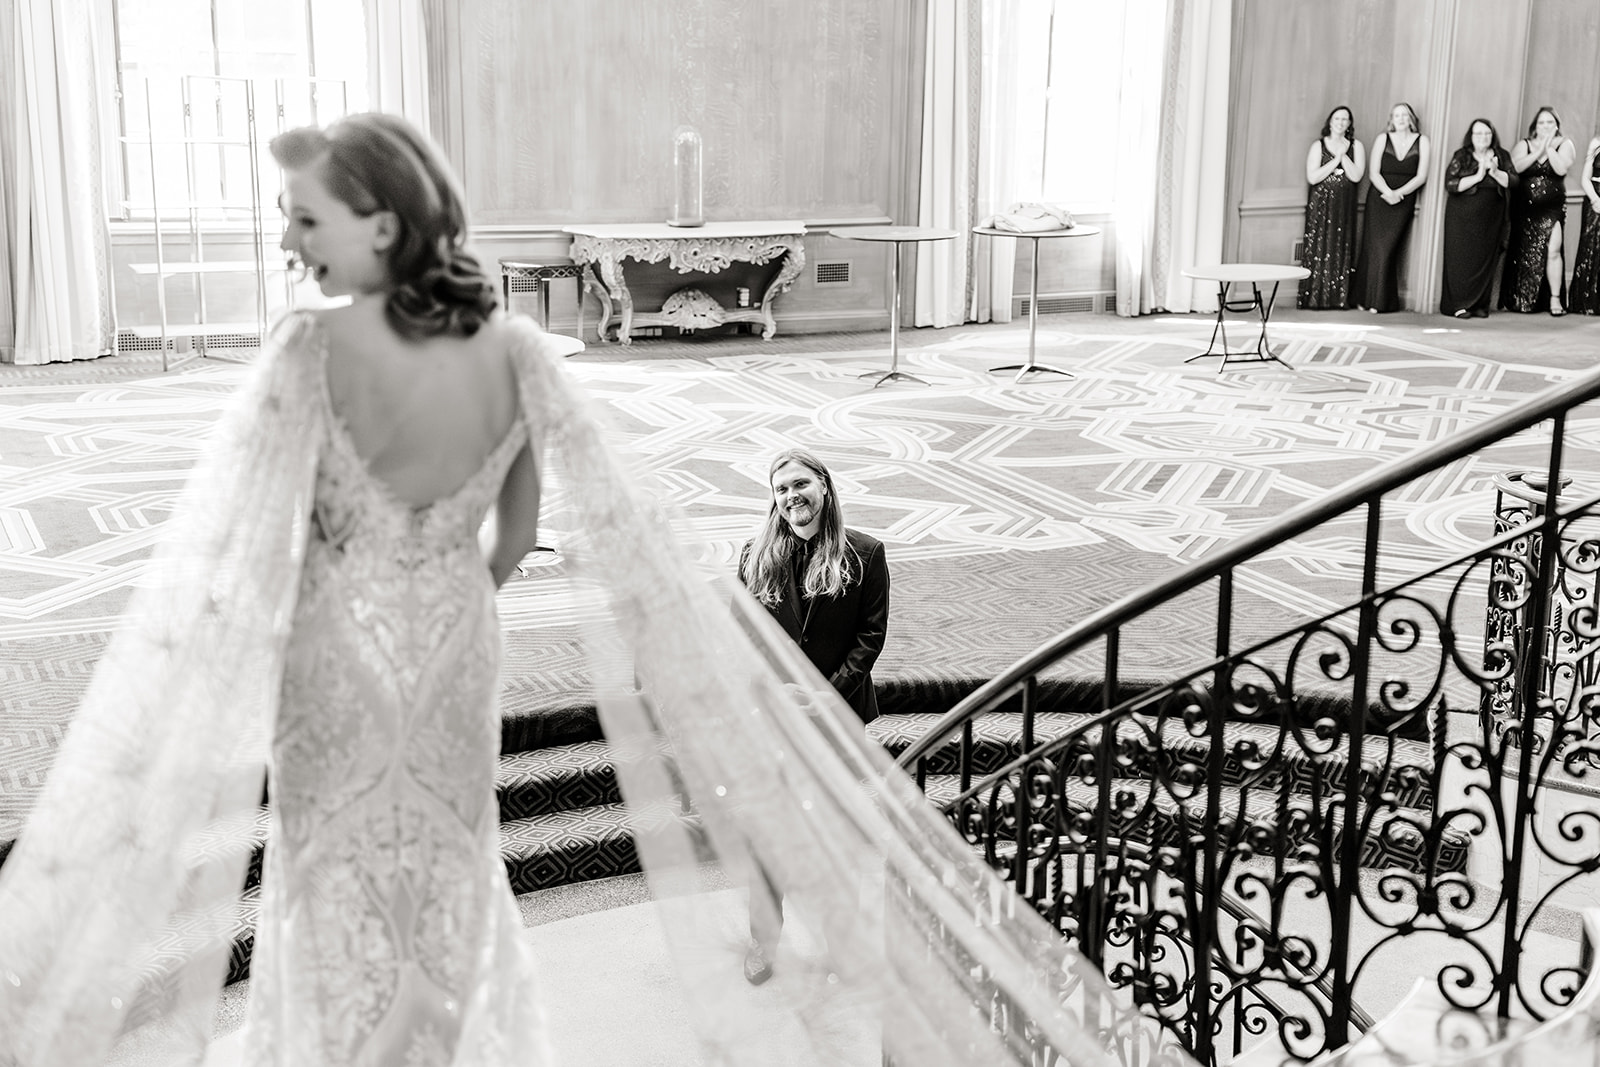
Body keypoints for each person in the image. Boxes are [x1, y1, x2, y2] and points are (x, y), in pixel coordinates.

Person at [736, 449, 890, 984]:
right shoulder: (755, 555)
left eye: (799, 484)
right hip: (771, 719)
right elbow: (745, 637)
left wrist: (824, 695)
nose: (790, 497)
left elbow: (870, 638)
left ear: (824, 486)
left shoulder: (866, 553)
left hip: (837, 717)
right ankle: (765, 943)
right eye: (780, 490)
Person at [1352, 103, 1430, 312]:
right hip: (1379, 198)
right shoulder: (1382, 139)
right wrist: (1387, 192)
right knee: (1373, 248)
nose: (1401, 118)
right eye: (1397, 115)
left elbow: (1421, 175)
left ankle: (1382, 301)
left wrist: (1400, 193)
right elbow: (1374, 173)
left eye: (1404, 115)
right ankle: (1364, 299)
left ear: (1411, 118)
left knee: (1388, 249)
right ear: (1391, 119)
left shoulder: (1422, 141)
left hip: (1404, 199)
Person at [1500, 105, 1575, 315]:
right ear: (1535, 125)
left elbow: (1561, 168)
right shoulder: (1524, 144)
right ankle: (1523, 298)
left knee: (1553, 250)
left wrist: (1549, 147)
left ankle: (1555, 299)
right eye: (1541, 122)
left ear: (1556, 125)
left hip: (1552, 209)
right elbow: (1517, 167)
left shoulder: (1565, 144)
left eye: (1550, 122)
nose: (1545, 126)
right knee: (1523, 254)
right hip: (1525, 208)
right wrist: (1539, 150)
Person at [1441, 119, 1514, 318]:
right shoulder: (1462, 156)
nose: (1483, 138)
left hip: (1492, 217)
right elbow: (1451, 184)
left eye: (1487, 133)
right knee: (1461, 259)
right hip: (1462, 218)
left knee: (1485, 259)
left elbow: (1514, 181)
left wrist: (1495, 172)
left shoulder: (1501, 155)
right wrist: (1478, 175)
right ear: (1471, 137)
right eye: (1479, 134)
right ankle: (1458, 305)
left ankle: (1479, 304)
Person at [1298, 105, 1365, 310]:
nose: (1341, 123)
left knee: (1340, 245)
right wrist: (1335, 160)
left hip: (1344, 205)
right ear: (1330, 121)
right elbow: (1313, 176)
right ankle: (1315, 297)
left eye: (1345, 119)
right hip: (1321, 204)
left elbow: (1356, 176)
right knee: (1320, 246)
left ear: (1349, 124)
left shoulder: (1356, 146)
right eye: (1337, 119)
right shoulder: (1319, 145)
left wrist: (1344, 156)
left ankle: (1339, 298)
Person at [1565, 133, 1600, 314]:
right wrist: (1595, 199)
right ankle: (1585, 301)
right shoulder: (1596, 141)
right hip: (1594, 197)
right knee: (1589, 247)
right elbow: (1585, 178)